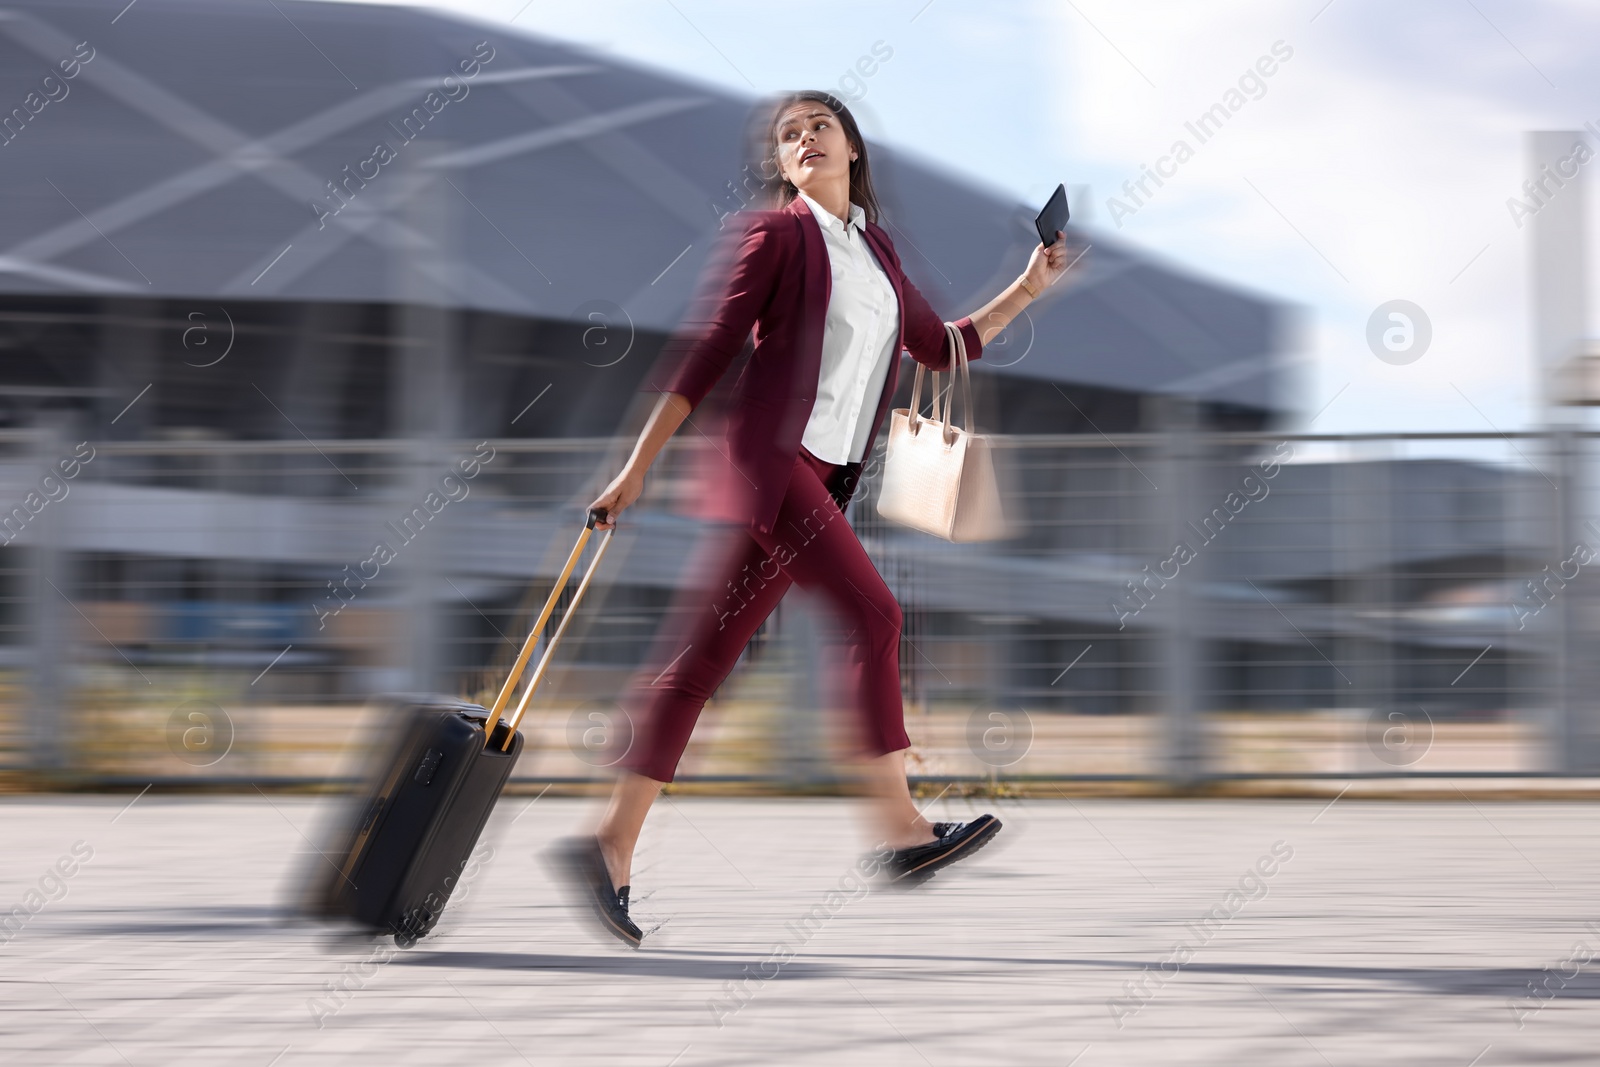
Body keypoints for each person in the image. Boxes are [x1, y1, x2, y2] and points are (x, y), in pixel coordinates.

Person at [554, 89, 1079, 947]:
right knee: (876, 612)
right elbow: (709, 350)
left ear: (852, 150)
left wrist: (1029, 285)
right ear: (783, 162)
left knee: (698, 664)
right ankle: (902, 830)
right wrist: (634, 468)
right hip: (769, 467)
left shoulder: (873, 251)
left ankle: (609, 844)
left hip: (819, 480)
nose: (802, 140)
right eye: (788, 135)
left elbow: (941, 346)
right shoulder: (776, 235)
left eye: (818, 128)